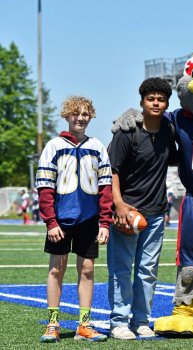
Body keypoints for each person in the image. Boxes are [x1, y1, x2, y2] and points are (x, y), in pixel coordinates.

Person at [36, 96, 112, 343]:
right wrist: (50, 221)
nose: (80, 118)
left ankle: (84, 323)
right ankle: (53, 323)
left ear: (91, 117)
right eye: (76, 114)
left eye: (85, 114)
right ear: (67, 116)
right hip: (61, 219)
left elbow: (105, 187)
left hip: (89, 219)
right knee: (57, 268)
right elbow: (45, 187)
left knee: (88, 269)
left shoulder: (98, 146)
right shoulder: (53, 146)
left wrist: (104, 222)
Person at [107, 77, 177, 340]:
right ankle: (118, 322)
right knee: (122, 269)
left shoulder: (169, 131)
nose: (156, 102)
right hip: (128, 212)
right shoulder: (128, 132)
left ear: (167, 103)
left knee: (148, 270)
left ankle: (141, 320)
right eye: (151, 98)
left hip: (156, 213)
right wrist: (119, 204)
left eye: (161, 99)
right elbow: (112, 171)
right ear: (142, 102)